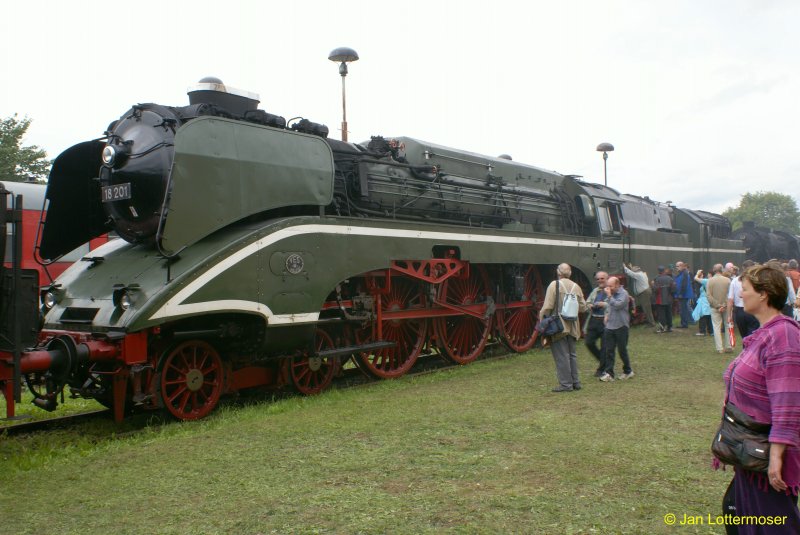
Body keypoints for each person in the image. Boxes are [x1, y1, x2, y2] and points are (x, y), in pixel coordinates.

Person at [717, 264, 800, 533]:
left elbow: (788, 401)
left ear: (764, 294)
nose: (741, 293)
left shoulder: (783, 336)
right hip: (751, 450)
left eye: (746, 289)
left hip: (767, 457)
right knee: (739, 516)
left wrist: (776, 456)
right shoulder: (765, 334)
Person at [539, 263, 588, 393]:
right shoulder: (576, 287)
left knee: (561, 356)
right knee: (572, 355)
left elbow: (548, 306)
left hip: (558, 326)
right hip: (573, 325)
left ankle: (566, 384)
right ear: (570, 273)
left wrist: (542, 321)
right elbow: (583, 307)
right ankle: (575, 382)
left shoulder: (553, 285)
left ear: (558, 272)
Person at [599, 276, 634, 381]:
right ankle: (609, 373)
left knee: (622, 350)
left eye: (611, 286)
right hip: (610, 326)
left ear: (617, 285)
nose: (608, 288)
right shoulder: (611, 294)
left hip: (621, 326)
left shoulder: (624, 294)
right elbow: (609, 306)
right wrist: (606, 314)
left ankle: (628, 371)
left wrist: (609, 296)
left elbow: (618, 305)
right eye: (607, 286)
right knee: (609, 350)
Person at [584, 271, 609, 377]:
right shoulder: (595, 291)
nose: (599, 281)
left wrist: (605, 304)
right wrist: (589, 305)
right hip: (594, 320)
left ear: (607, 279)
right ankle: (604, 361)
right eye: (598, 279)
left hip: (606, 322)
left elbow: (616, 304)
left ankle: (601, 368)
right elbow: (587, 302)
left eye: (602, 278)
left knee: (604, 346)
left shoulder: (611, 290)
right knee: (588, 342)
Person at [728, 260, 760, 340]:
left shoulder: (735, 281)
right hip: (752, 309)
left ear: (743, 268)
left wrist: (729, 315)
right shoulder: (756, 280)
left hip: (739, 311)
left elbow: (730, 300)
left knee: (744, 336)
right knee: (753, 335)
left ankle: (746, 350)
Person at [706, 264, 733, 354]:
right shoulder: (728, 280)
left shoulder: (710, 281)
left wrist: (718, 305)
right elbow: (730, 295)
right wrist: (724, 305)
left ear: (714, 270)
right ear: (722, 270)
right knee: (727, 325)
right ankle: (729, 346)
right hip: (726, 307)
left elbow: (708, 295)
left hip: (714, 307)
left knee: (716, 327)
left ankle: (719, 348)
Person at [653, 266, 676, 333]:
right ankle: (669, 327)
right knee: (669, 313)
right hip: (668, 299)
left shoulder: (657, 279)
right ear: (664, 271)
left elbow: (655, 290)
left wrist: (652, 285)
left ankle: (662, 328)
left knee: (661, 314)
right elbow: (674, 289)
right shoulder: (670, 278)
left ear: (658, 271)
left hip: (660, 299)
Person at [674, 261, 694, 328]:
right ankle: (684, 323)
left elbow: (684, 285)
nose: (676, 268)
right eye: (676, 266)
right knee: (683, 309)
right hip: (682, 294)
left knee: (683, 310)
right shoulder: (682, 273)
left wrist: (681, 294)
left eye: (677, 266)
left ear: (682, 266)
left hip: (683, 295)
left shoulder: (684, 273)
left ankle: (684, 324)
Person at [692, 269, 712, 336]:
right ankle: (711, 331)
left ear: (710, 274)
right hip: (710, 300)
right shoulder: (714, 281)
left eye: (708, 274)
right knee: (709, 316)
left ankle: (702, 331)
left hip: (704, 301)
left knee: (703, 316)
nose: (707, 275)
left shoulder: (707, 281)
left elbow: (695, 278)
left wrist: (697, 273)